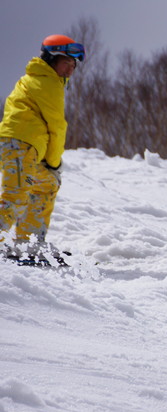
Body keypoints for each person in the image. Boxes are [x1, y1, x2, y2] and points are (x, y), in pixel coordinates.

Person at [0, 34, 85, 261]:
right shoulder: (47, 81)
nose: (70, 70)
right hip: (21, 146)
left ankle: (29, 245)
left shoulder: (34, 78)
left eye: (73, 66)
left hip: (22, 147)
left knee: (46, 184)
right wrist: (54, 162)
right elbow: (57, 126)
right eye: (66, 63)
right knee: (16, 196)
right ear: (52, 59)